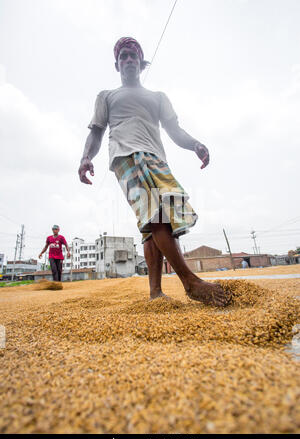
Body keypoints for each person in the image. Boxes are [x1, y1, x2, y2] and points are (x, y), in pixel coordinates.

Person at [78, 37, 230, 307]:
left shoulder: (158, 97)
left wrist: (195, 144)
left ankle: (155, 293)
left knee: (158, 223)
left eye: (132, 56)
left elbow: (174, 131)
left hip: (157, 158)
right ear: (117, 65)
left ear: (140, 62)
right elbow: (97, 132)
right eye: (123, 56)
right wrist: (86, 157)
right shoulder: (107, 96)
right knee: (155, 212)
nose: (128, 60)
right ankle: (190, 282)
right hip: (126, 156)